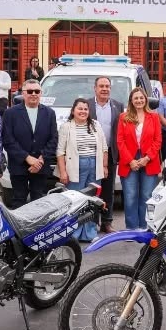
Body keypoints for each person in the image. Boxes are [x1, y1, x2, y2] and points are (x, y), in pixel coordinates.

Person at [58, 98, 108, 240]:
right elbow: (60, 152)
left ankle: (90, 232)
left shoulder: (95, 125)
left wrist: (104, 166)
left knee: (93, 200)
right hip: (75, 167)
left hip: (95, 165)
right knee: (76, 200)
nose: (83, 111)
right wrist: (63, 171)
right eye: (80, 108)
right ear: (73, 111)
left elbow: (104, 148)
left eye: (86, 109)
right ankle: (74, 233)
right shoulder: (66, 126)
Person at [2, 79, 57, 208]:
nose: (33, 94)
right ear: (23, 93)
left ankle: (37, 228)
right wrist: (27, 158)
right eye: (30, 91)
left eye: (37, 91)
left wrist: (40, 160)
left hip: (41, 165)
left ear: (41, 93)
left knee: (39, 202)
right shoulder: (10, 113)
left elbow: (53, 139)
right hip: (18, 165)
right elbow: (8, 140)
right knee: (18, 201)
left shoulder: (49, 113)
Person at [117, 87, 162, 230]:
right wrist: (130, 160)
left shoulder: (154, 117)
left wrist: (147, 158)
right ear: (131, 100)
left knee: (146, 195)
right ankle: (131, 227)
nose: (139, 100)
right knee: (130, 196)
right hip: (129, 161)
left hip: (149, 160)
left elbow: (158, 140)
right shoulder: (123, 117)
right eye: (136, 98)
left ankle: (144, 226)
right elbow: (120, 141)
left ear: (146, 99)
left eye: (141, 98)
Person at [88, 76, 123, 233]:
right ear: (95, 88)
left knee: (108, 189)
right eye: (101, 86)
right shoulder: (86, 104)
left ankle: (107, 222)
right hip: (89, 152)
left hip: (110, 152)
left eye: (107, 86)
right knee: (92, 188)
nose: (104, 89)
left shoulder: (118, 106)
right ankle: (92, 222)